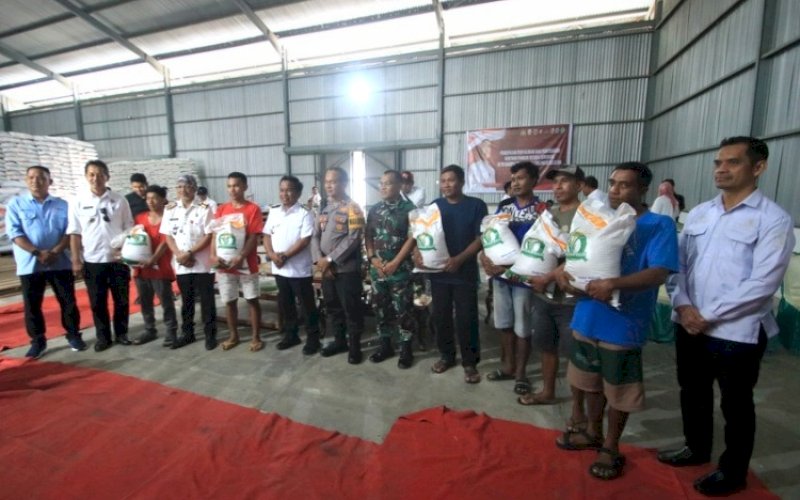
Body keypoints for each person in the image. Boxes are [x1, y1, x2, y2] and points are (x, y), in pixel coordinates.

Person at [658, 137, 794, 496]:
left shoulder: (773, 219)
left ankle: (733, 473)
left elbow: (763, 283)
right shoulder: (700, 213)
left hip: (737, 332)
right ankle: (696, 448)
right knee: (693, 392)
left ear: (758, 167)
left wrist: (707, 315)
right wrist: (683, 305)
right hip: (689, 323)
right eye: (718, 162)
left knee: (736, 405)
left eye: (733, 162)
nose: (721, 169)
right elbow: (677, 265)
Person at [554, 161, 678, 481]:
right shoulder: (600, 218)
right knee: (589, 384)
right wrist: (563, 273)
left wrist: (614, 285)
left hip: (624, 322)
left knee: (618, 390)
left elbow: (659, 272)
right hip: (587, 315)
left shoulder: (658, 224)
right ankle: (593, 432)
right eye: (612, 183)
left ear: (643, 189)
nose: (615, 190)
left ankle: (611, 446)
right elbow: (579, 254)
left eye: (625, 184)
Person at [415, 164, 488, 383]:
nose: (446, 185)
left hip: (464, 272)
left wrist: (460, 259)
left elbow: (480, 238)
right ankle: (446, 356)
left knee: (466, 319)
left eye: (451, 180)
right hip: (439, 273)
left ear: (462, 182)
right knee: (441, 317)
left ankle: (470, 362)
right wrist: (417, 253)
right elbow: (422, 232)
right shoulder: (435, 206)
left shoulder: (476, 206)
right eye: (443, 180)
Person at [518, 164, 584, 406]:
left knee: (575, 354)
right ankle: (548, 392)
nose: (558, 186)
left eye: (564, 181)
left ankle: (578, 408)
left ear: (579, 185)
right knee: (546, 347)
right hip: (544, 296)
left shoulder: (586, 216)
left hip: (571, 298)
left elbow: (581, 256)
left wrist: (546, 278)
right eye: (555, 182)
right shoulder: (548, 214)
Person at [6, 166, 84, 358]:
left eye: (41, 177)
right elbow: (15, 233)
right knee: (32, 305)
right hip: (30, 264)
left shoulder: (62, 205)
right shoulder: (16, 204)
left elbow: (70, 231)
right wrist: (37, 252)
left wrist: (56, 251)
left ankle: (73, 335)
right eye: (31, 177)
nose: (36, 181)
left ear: (50, 181)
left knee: (68, 301)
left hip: (60, 262)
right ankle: (38, 341)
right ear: (26, 181)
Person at [481, 161, 545, 393]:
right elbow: (491, 235)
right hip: (500, 278)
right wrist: (485, 258)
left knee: (522, 327)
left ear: (534, 181)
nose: (516, 183)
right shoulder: (505, 206)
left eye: (521, 178)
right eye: (514, 179)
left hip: (523, 280)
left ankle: (521, 374)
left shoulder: (542, 209)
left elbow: (544, 245)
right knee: (504, 324)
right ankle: (508, 367)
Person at [68, 160, 134, 352]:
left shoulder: (119, 200)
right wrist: (76, 260)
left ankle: (122, 333)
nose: (95, 178)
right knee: (97, 302)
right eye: (91, 174)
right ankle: (103, 337)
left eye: (100, 174)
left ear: (107, 176)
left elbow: (129, 227)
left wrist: (124, 248)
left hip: (117, 260)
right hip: (92, 261)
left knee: (121, 300)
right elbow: (74, 233)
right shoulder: (78, 201)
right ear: (86, 176)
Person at [311, 167, 366, 364]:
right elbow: (315, 236)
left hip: (346, 270)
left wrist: (330, 260)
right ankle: (340, 341)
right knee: (333, 307)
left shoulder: (353, 208)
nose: (329, 185)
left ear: (344, 183)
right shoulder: (323, 208)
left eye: (333, 181)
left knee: (351, 309)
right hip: (326, 270)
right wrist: (319, 260)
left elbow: (354, 238)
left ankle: (355, 347)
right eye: (326, 182)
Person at [263, 175, 321, 354]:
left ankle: (313, 339)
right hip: (279, 269)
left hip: (299, 270)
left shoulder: (305, 213)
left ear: (298, 192)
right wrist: (272, 255)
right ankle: (291, 335)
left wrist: (285, 256)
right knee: (286, 304)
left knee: (306, 306)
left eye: (289, 190)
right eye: (282, 190)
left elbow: (305, 240)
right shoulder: (274, 211)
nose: (284, 194)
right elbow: (266, 235)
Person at [365, 170, 417, 368]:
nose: (383, 187)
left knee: (403, 310)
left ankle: (406, 348)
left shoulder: (410, 209)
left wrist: (395, 262)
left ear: (399, 186)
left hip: (400, 269)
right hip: (378, 270)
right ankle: (385, 345)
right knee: (380, 309)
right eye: (381, 183)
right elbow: (368, 236)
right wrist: (372, 259)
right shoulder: (374, 210)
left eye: (388, 183)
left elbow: (412, 238)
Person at [160, 174, 217, 350]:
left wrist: (190, 253)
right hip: (182, 264)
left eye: (187, 186)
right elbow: (168, 235)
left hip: (202, 264)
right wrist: (179, 254)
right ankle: (188, 334)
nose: (183, 190)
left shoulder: (204, 208)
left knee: (207, 301)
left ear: (194, 189)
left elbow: (209, 235)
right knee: (187, 301)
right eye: (179, 187)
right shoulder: (170, 209)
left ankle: (210, 335)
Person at [211, 172, 264, 352]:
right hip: (224, 266)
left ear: (245, 187)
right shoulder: (222, 209)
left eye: (236, 185)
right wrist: (213, 255)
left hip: (246, 264)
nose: (232, 189)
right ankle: (233, 336)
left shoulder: (253, 209)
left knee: (252, 299)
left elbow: (253, 237)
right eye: (229, 186)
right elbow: (215, 235)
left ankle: (256, 337)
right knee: (229, 301)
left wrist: (241, 256)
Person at [131, 184, 178, 346]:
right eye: (148, 198)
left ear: (163, 200)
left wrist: (153, 259)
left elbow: (165, 242)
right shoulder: (140, 218)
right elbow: (134, 238)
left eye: (155, 198)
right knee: (145, 301)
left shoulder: (169, 218)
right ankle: (149, 329)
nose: (150, 201)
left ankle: (171, 330)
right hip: (141, 267)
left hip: (160, 267)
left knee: (166, 300)